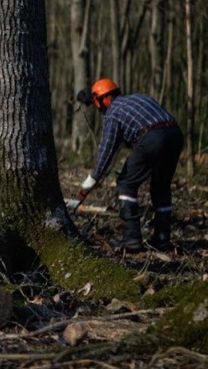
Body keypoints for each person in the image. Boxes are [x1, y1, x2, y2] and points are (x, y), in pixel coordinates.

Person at [74, 78, 184, 251]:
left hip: (151, 138)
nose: (100, 109)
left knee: (126, 184)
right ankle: (162, 239)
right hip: (175, 135)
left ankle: (131, 240)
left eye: (99, 104)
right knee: (161, 187)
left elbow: (106, 150)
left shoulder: (113, 112)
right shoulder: (140, 98)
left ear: (106, 99)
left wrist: (92, 179)